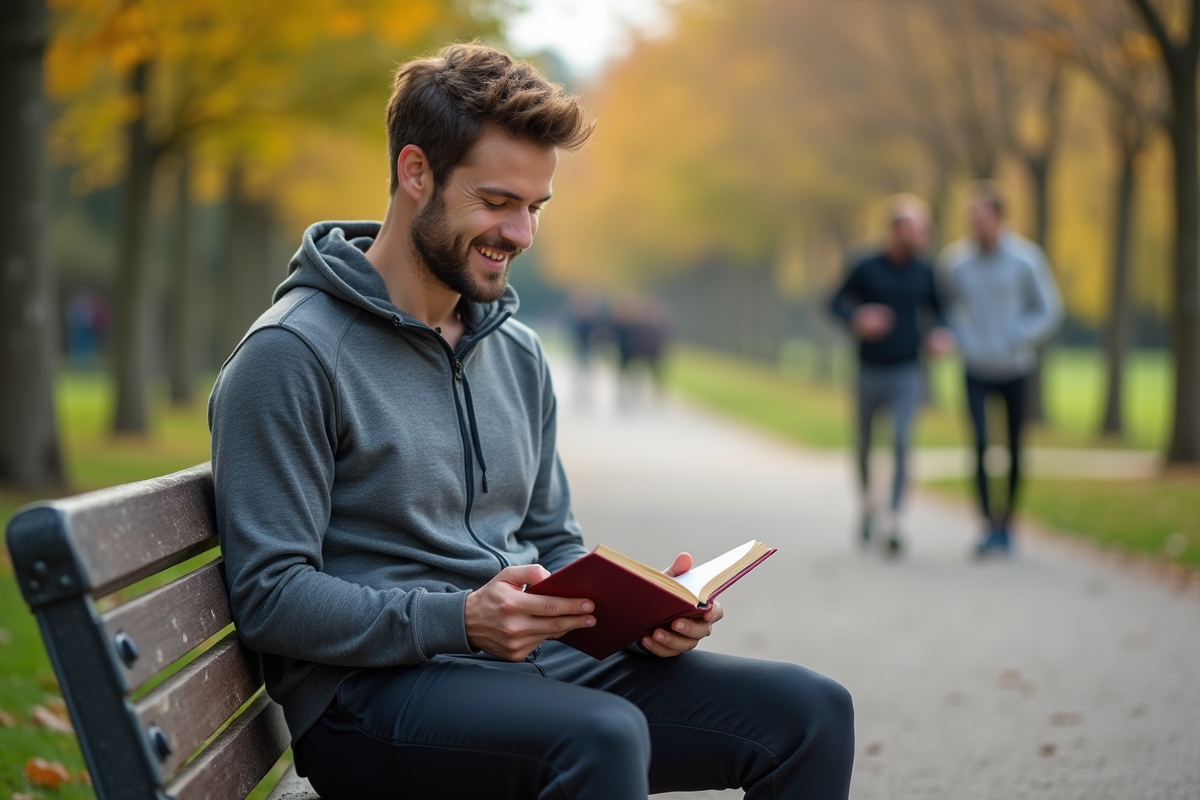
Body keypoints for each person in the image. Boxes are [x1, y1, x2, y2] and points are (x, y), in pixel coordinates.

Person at [208, 44, 853, 800]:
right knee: (601, 735)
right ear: (416, 173)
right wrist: (461, 620)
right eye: (497, 202)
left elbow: (552, 541)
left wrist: (636, 614)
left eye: (535, 207)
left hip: (529, 663)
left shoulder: (514, 350)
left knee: (810, 712)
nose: (521, 234)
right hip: (373, 697)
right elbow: (271, 594)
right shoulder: (292, 355)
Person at [939, 183, 1062, 557]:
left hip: (1014, 367)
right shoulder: (955, 262)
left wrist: (1018, 336)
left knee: (1013, 448)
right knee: (978, 444)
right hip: (975, 366)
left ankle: (1007, 523)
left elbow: (1049, 308)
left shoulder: (1026, 259)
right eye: (970, 217)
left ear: (999, 218)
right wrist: (961, 337)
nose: (975, 223)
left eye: (982, 215)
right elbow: (946, 308)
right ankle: (987, 525)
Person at [829, 195, 952, 557]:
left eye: (924, 228)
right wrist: (858, 317)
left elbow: (941, 311)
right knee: (865, 446)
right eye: (915, 227)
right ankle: (869, 503)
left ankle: (895, 518)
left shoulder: (926, 271)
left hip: (907, 370)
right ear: (896, 229)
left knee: (901, 441)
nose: (921, 235)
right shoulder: (865, 266)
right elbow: (834, 302)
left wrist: (941, 333)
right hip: (869, 370)